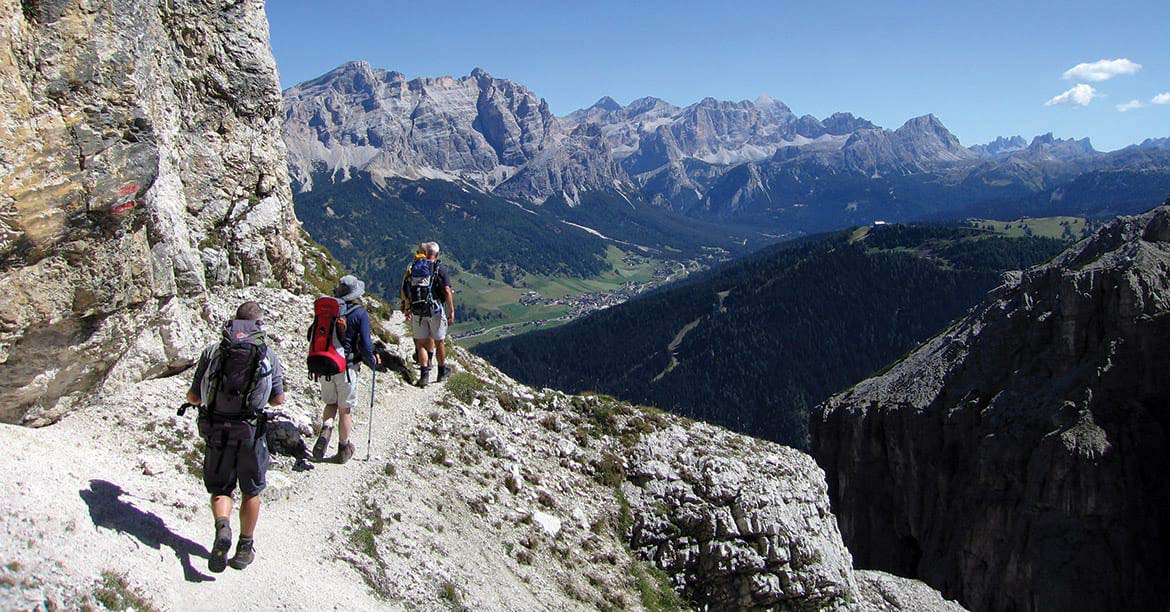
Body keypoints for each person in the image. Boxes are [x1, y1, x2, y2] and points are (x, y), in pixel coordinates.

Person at [186, 301, 284, 573]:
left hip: (216, 428)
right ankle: (244, 547)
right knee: (251, 490)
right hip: (250, 432)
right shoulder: (267, 354)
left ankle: (223, 527)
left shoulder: (214, 350)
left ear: (235, 321)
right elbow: (278, 399)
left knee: (221, 488)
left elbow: (194, 397)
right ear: (258, 325)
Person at [313, 274, 379, 464]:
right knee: (345, 409)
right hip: (346, 367)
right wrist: (372, 360)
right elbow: (366, 346)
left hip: (325, 365)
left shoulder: (327, 311)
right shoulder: (359, 313)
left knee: (331, 404)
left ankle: (326, 428)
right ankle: (343, 448)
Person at [401, 241, 455, 387]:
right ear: (436, 254)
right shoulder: (439, 268)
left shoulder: (413, 268)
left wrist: (407, 309)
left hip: (417, 311)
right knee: (439, 341)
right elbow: (447, 291)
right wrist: (451, 310)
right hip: (435, 310)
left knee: (420, 344)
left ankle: (424, 375)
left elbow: (406, 290)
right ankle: (441, 372)